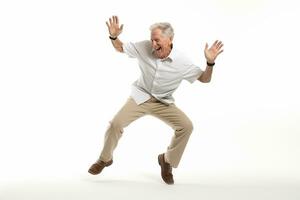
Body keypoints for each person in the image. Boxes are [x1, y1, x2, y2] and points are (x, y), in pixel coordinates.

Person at [88, 15, 224, 185]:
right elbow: (121, 48)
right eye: (152, 40)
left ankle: (166, 160)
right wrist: (114, 36)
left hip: (163, 102)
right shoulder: (145, 47)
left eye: (157, 40)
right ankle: (105, 159)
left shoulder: (182, 61)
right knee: (115, 124)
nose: (153, 44)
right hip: (140, 97)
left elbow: (204, 79)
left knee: (186, 126)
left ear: (170, 39)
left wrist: (210, 63)